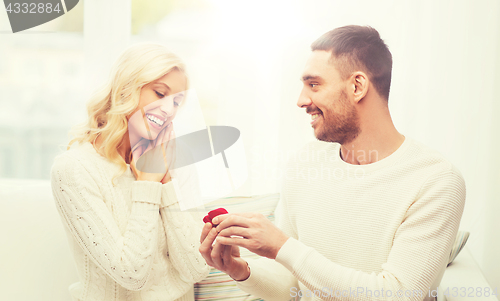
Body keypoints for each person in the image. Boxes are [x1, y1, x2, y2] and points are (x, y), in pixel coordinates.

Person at [199, 25, 466, 301]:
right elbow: (292, 285)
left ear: (357, 86)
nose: (301, 100)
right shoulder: (305, 163)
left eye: (313, 84)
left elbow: (397, 294)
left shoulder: (436, 180)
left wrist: (281, 246)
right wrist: (240, 270)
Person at [50, 43, 210, 301]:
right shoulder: (74, 169)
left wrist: (166, 181)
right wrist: (148, 184)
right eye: (160, 94)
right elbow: (132, 275)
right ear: (126, 89)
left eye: (177, 102)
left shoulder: (179, 159)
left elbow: (197, 268)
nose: (169, 110)